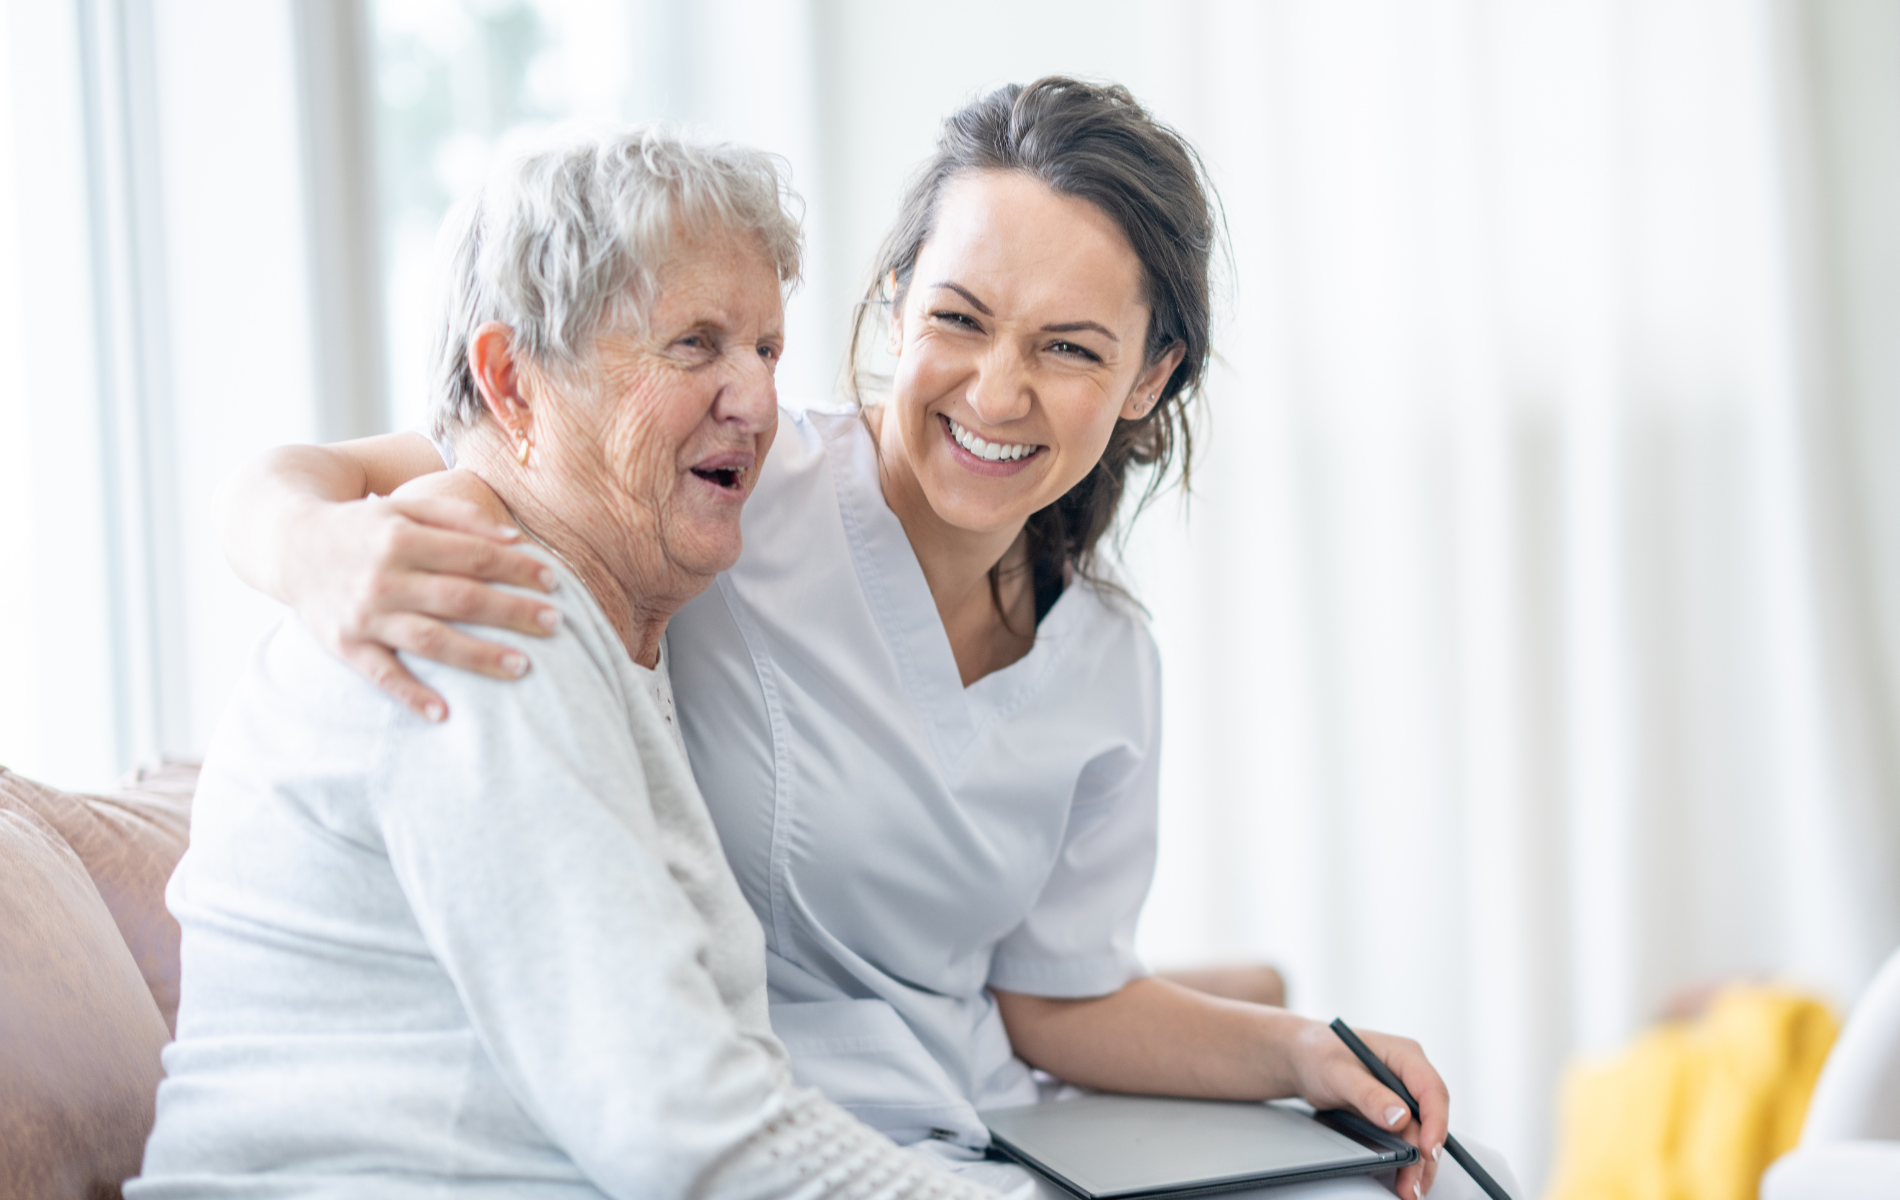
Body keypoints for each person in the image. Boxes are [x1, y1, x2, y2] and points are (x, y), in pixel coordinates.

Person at [219, 81, 1517, 1199]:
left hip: (967, 1140)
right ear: (896, 302)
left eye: (1069, 349)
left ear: (1147, 380)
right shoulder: (715, 482)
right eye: (959, 318)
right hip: (781, 1146)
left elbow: (1054, 997)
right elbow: (469, 457)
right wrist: (306, 546)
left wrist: (1300, 1054)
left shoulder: (1106, 660)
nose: (997, 392)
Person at [132, 127, 1007, 1200]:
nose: (755, 399)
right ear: (513, 382)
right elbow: (682, 1125)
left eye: (768, 350)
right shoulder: (473, 597)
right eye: (694, 344)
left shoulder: (603, 597)